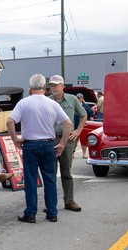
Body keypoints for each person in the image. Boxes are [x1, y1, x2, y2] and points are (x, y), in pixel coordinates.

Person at [6, 74, 72, 223]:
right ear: (45, 88)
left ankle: (30, 213)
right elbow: (67, 124)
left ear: (29, 89)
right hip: (48, 143)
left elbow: (10, 121)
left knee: (30, 180)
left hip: (30, 144)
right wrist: (62, 143)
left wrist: (15, 139)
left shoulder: (24, 103)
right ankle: (52, 213)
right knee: (50, 179)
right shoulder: (53, 104)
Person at [48, 75, 87, 212]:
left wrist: (78, 130)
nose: (53, 88)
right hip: (51, 139)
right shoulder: (47, 101)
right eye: (51, 85)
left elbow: (83, 114)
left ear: (62, 86)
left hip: (68, 140)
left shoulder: (72, 99)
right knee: (50, 173)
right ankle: (51, 205)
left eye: (56, 85)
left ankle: (69, 201)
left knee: (66, 172)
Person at [74, 93, 94, 158]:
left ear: (82, 98)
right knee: (74, 141)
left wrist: (91, 120)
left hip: (84, 126)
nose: (78, 99)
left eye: (79, 98)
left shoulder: (85, 106)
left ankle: (84, 154)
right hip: (75, 126)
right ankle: (72, 153)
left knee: (83, 141)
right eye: (77, 98)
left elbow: (91, 114)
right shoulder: (73, 106)